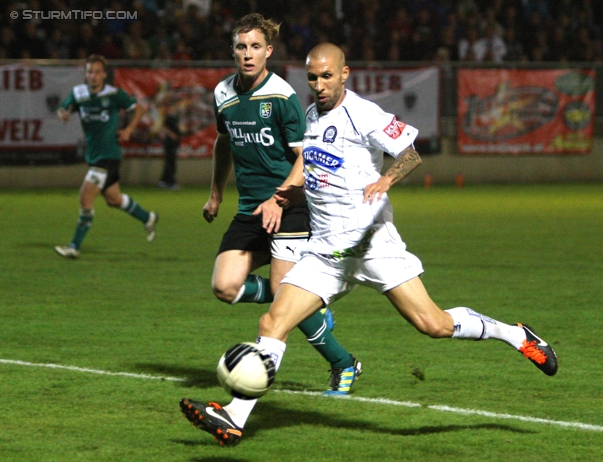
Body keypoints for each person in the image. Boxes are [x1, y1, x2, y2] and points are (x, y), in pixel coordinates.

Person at [180, 42, 559, 446]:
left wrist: (386, 180)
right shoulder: (310, 117)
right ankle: (234, 416)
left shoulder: (364, 113)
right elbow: (315, 168)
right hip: (326, 251)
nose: (319, 85)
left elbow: (411, 154)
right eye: (312, 77)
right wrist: (288, 195)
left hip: (373, 246)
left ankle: (516, 335)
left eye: (328, 76)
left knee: (434, 325)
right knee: (273, 322)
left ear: (345, 74)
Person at [180, 15, 362, 442]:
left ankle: (344, 363)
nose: (247, 54)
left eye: (255, 47)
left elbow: (306, 156)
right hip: (249, 209)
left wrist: (279, 197)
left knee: (283, 299)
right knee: (225, 287)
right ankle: (312, 306)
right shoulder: (223, 93)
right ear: (234, 51)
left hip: (290, 206)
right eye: (241, 47)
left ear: (268, 51)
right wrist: (215, 194)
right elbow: (224, 142)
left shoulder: (281, 96)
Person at [55, 54, 158, 259]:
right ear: (86, 74)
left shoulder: (114, 95)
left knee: (85, 197)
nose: (93, 76)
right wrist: (63, 114)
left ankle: (74, 246)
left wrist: (128, 129)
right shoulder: (79, 93)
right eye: (89, 72)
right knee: (113, 199)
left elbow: (139, 109)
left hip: (109, 154)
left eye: (97, 72)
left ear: (103, 75)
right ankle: (148, 218)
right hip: (94, 155)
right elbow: (63, 108)